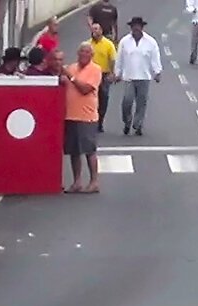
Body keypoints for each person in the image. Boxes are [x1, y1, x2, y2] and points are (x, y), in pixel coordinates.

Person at [62, 42, 102, 193]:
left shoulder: (95, 70)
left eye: (87, 52)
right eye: (81, 52)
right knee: (74, 151)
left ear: (91, 55)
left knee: (89, 150)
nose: (84, 55)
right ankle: (77, 181)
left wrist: (70, 77)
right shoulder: (71, 68)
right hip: (71, 114)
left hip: (87, 116)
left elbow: (85, 89)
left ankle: (94, 181)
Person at [115, 17, 162, 136]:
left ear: (142, 27)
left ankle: (138, 124)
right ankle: (127, 121)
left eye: (138, 26)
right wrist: (117, 73)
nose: (135, 28)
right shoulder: (125, 41)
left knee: (141, 102)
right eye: (133, 26)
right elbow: (119, 58)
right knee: (127, 100)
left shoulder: (150, 42)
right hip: (129, 76)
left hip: (144, 76)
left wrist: (157, 72)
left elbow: (155, 58)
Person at [88, 23, 117, 132]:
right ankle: (92, 121)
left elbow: (113, 59)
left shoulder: (108, 44)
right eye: (93, 29)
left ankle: (100, 121)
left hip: (103, 74)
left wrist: (112, 73)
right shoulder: (88, 44)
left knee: (103, 97)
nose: (94, 31)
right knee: (91, 98)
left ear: (101, 30)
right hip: (91, 74)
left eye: (96, 29)